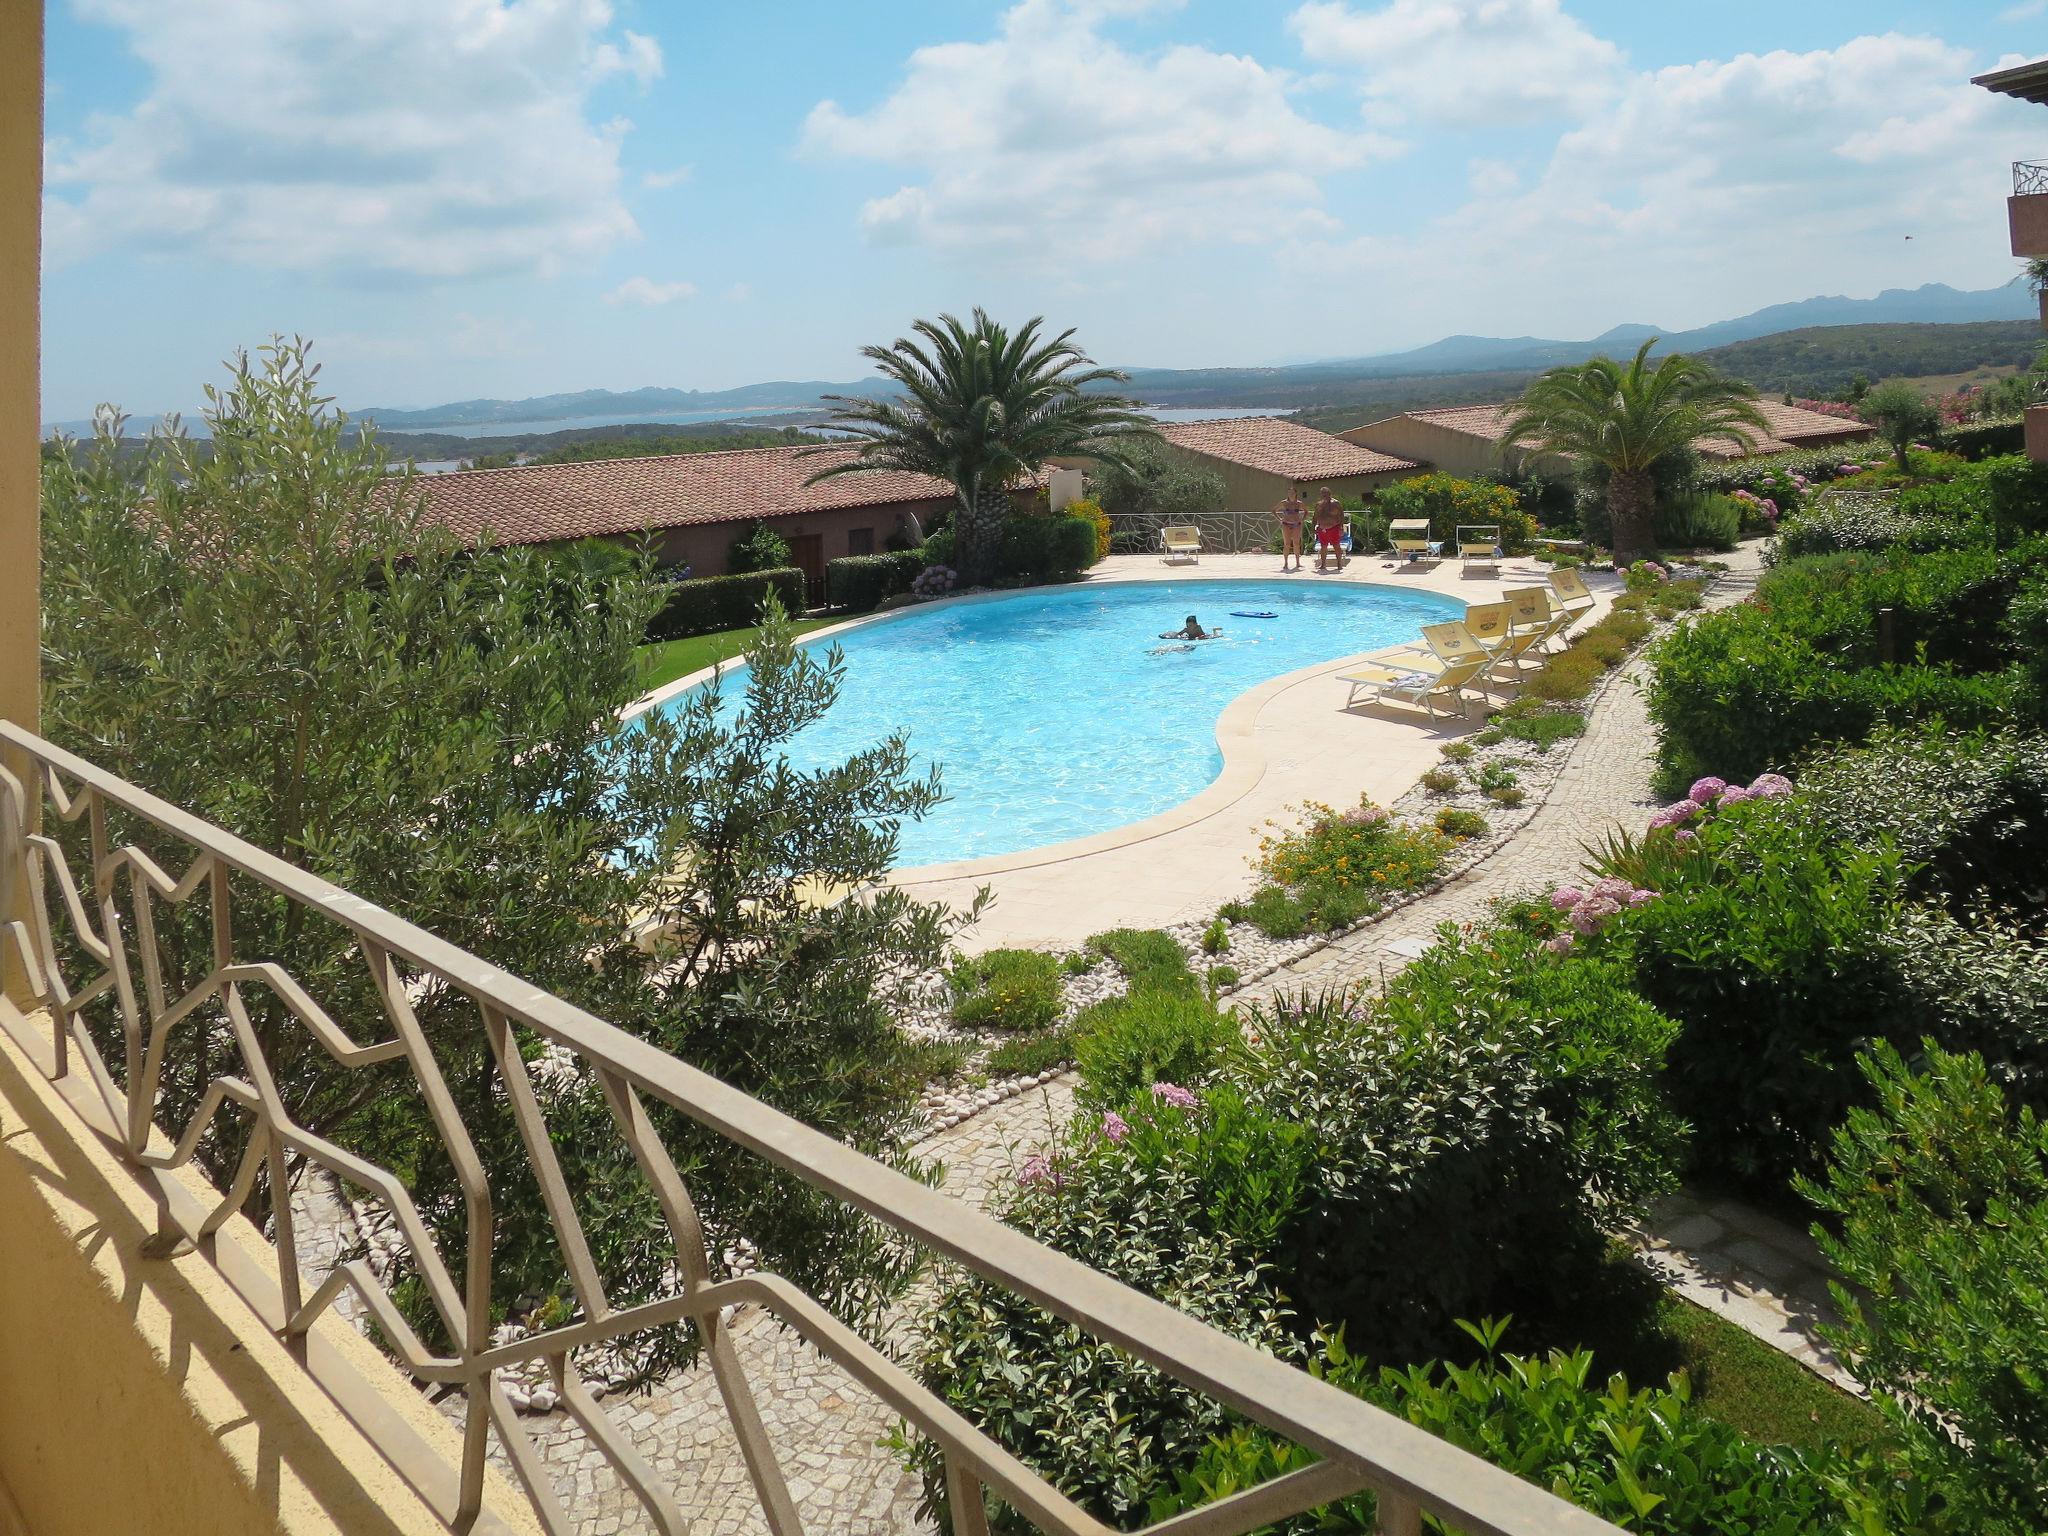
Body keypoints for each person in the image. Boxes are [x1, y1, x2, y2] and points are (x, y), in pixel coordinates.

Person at [1274, 485, 1307, 571]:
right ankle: (1285, 563)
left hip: (1296, 524)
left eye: (1292, 493)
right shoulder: (1284, 503)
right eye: (1289, 493)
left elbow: (1306, 511)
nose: (1291, 494)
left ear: (1296, 493)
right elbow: (1274, 510)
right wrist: (1279, 519)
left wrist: (1302, 520)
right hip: (1286, 524)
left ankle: (1297, 562)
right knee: (1287, 544)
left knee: (1296, 543)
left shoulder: (1299, 503)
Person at [1313, 488, 1346, 572]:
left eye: (1326, 493)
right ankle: (1323, 564)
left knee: (1336, 546)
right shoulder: (1319, 504)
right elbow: (1315, 516)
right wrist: (1313, 527)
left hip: (1334, 527)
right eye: (1322, 493)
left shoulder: (1336, 503)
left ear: (1330, 493)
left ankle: (1339, 563)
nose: (1324, 495)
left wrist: (1341, 527)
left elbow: (1341, 515)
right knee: (1323, 547)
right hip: (1322, 528)